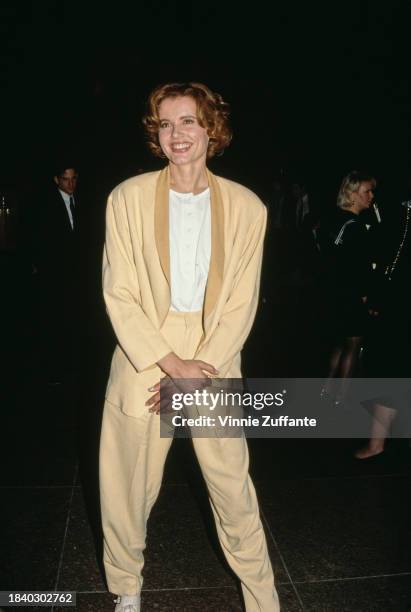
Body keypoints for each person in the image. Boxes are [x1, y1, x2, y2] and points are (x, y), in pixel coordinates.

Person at [99, 83, 280, 612]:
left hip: (214, 354)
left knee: (231, 485)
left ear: (211, 129)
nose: (176, 134)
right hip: (145, 354)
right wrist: (171, 364)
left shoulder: (248, 207)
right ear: (156, 133)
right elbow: (119, 290)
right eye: (165, 123)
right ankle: (126, 588)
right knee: (126, 483)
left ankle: (263, 598)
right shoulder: (127, 197)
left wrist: (197, 370)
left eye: (188, 122)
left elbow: (242, 302)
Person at [320, 171, 376, 403]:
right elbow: (360, 268)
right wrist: (367, 296)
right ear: (352, 194)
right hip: (350, 294)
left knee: (339, 344)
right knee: (353, 344)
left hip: (333, 291)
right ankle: (341, 397)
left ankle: (325, 390)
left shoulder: (333, 219)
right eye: (367, 191)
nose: (371, 196)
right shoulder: (356, 227)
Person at [23, 163, 81, 383]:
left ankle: (70, 367)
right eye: (66, 179)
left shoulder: (80, 201)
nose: (71, 184)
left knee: (71, 323)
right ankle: (52, 370)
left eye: (74, 178)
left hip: (75, 277)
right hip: (54, 276)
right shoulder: (45, 205)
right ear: (56, 180)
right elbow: (36, 239)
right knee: (53, 324)